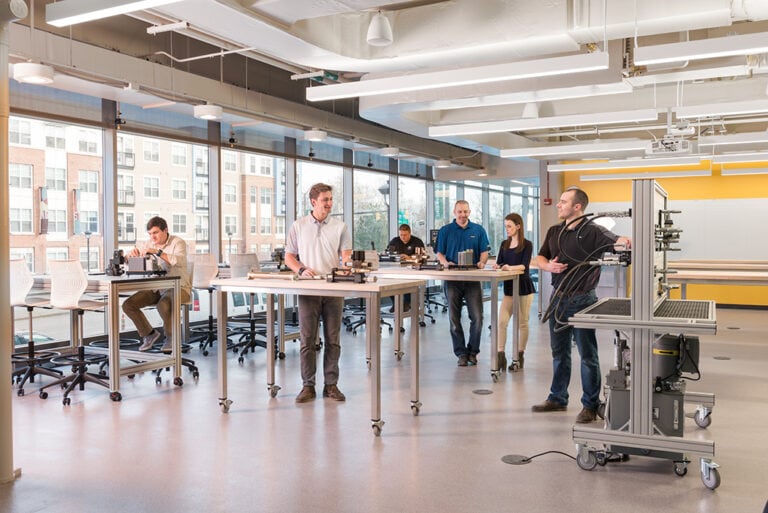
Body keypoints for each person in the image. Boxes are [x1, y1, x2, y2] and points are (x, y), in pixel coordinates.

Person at [532, 187, 631, 423]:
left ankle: (590, 405)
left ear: (577, 207)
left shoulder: (593, 231)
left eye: (563, 201)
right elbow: (540, 257)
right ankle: (558, 398)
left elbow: (619, 243)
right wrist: (548, 266)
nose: (558, 205)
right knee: (559, 353)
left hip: (583, 300)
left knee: (587, 355)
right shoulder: (554, 231)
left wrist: (628, 242)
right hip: (558, 298)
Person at [285, 183, 352, 403]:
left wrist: (347, 266)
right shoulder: (298, 226)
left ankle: (331, 385)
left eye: (331, 199)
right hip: (308, 289)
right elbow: (289, 257)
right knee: (307, 340)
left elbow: (346, 256)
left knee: (333, 339)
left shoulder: (340, 226)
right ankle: (308, 386)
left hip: (333, 289)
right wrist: (301, 270)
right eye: (325, 200)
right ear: (313, 202)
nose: (329, 203)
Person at [123, 216, 192, 354]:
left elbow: (178, 261)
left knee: (163, 304)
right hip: (157, 288)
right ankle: (149, 334)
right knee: (128, 305)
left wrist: (158, 252)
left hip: (179, 288)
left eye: (155, 233)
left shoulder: (178, 242)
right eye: (150, 234)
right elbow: (127, 260)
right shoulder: (148, 244)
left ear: (165, 230)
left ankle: (171, 338)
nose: (152, 237)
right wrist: (129, 256)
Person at [435, 200, 490, 367]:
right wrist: (445, 263)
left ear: (469, 212)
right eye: (460, 211)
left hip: (472, 279)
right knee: (454, 319)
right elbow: (439, 253)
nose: (462, 215)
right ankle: (461, 354)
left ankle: (473, 352)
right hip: (453, 279)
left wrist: (482, 262)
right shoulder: (445, 230)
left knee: (477, 318)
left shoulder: (478, 230)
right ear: (454, 212)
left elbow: (485, 252)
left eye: (465, 211)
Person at [493, 213, 535, 371]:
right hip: (509, 289)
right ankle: (500, 356)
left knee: (522, 323)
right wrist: (498, 266)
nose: (507, 229)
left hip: (523, 288)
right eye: (506, 226)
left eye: (509, 226)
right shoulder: (504, 244)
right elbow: (499, 262)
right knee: (502, 322)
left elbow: (524, 266)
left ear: (518, 226)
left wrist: (510, 268)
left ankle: (519, 356)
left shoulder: (527, 244)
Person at [387, 223, 425, 311]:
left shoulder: (417, 242)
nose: (403, 237)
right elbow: (389, 254)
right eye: (401, 235)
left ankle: (407, 303)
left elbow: (422, 257)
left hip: (412, 269)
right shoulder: (395, 241)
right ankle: (396, 303)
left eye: (405, 235)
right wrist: (398, 257)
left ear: (409, 233)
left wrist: (409, 258)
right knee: (389, 283)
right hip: (397, 269)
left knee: (408, 284)